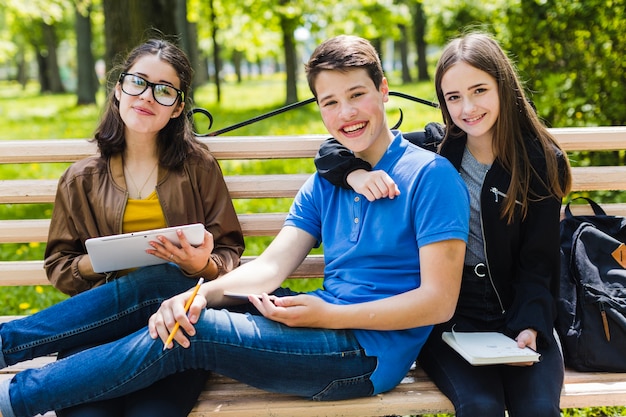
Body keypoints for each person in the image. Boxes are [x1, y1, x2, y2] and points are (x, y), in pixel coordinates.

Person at [0, 34, 469, 417]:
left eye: (357, 95)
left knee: (191, 334)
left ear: (383, 90)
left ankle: (15, 399)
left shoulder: (430, 177)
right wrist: (193, 295)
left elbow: (438, 302)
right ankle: (5, 345)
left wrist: (327, 314)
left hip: (363, 355)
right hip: (316, 319)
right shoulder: (326, 183)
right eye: (330, 102)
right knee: (171, 284)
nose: (345, 114)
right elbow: (269, 269)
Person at [313, 32, 572, 416]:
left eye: (479, 90)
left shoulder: (539, 161)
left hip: (521, 310)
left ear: (503, 86)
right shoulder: (435, 151)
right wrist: (354, 174)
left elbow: (539, 262)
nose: (467, 107)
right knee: (479, 406)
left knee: (536, 407)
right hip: (452, 319)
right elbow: (333, 148)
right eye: (453, 97)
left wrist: (529, 326)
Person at [42, 38, 245, 417]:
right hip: (100, 323)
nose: (147, 97)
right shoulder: (80, 179)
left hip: (176, 323)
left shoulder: (198, 168)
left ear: (179, 107)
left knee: (152, 413)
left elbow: (229, 252)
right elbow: (59, 266)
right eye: (138, 82)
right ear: (119, 88)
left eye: (164, 91)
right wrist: (97, 260)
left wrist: (197, 265)